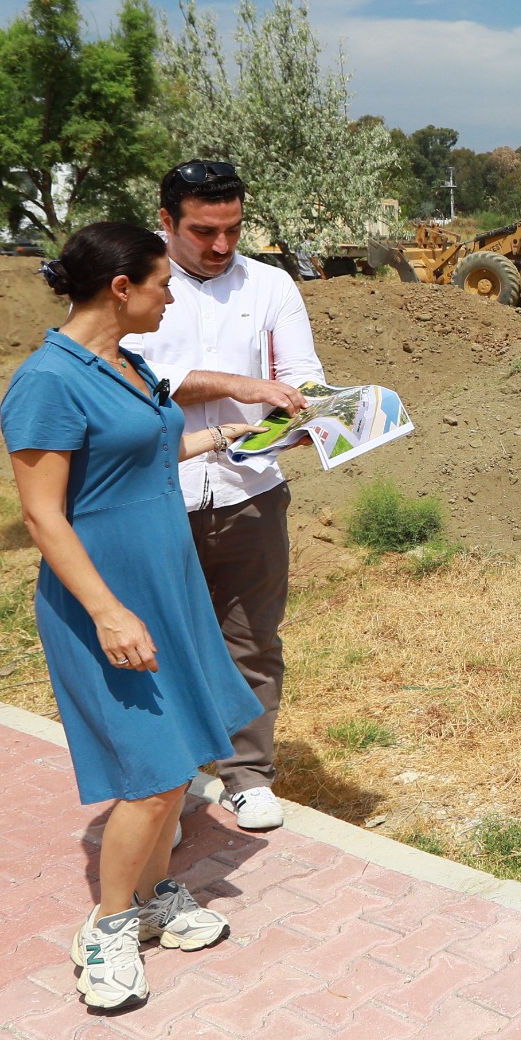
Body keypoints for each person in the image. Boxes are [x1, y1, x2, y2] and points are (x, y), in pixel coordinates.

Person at [2, 222, 261, 1014]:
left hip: (166, 587)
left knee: (179, 763)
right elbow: (44, 517)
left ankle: (154, 898)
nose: (171, 295)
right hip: (105, 601)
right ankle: (108, 928)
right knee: (151, 779)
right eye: (161, 284)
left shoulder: (129, 364)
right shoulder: (48, 381)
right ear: (121, 289)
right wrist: (108, 611)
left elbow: (145, 454)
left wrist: (228, 434)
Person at [121, 159, 321, 834]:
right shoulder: (133, 287)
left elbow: (298, 377)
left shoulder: (270, 285)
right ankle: (166, 787)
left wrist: (293, 421)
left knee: (251, 638)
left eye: (233, 229)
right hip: (154, 497)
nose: (222, 245)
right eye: (204, 231)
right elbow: (135, 381)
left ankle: (246, 773)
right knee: (159, 646)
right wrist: (246, 385)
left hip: (250, 493)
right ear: (166, 220)